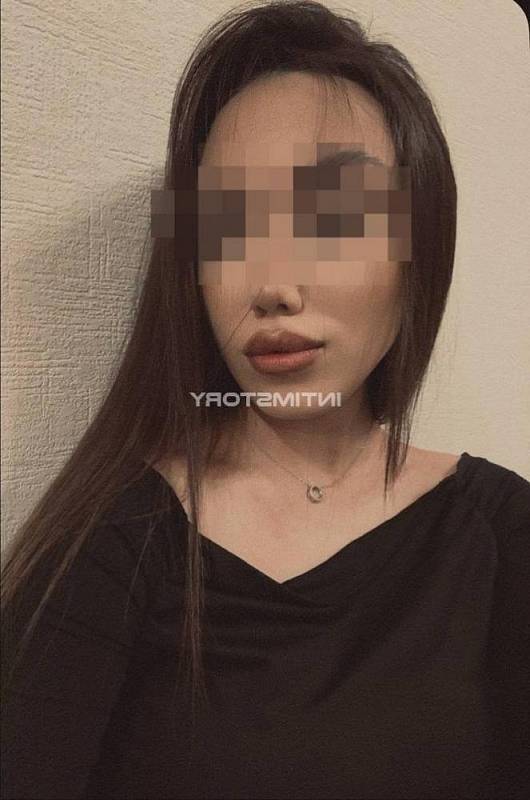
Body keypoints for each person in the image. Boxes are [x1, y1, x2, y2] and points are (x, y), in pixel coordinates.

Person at [2, 2, 529, 798]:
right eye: (230, 224)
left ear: (420, 246)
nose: (274, 285)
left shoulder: (502, 536)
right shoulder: (109, 547)